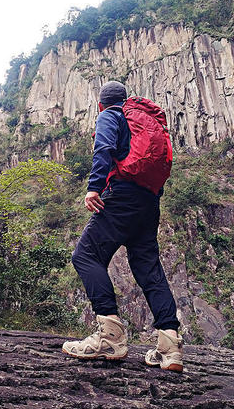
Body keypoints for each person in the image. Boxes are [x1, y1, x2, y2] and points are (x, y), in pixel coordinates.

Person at [62, 81, 183, 372]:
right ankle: (170, 347)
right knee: (149, 269)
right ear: (126, 100)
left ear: (101, 104)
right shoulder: (142, 120)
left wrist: (94, 188)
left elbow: (103, 148)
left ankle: (110, 338)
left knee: (86, 256)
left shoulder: (109, 115)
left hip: (122, 196)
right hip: (149, 202)